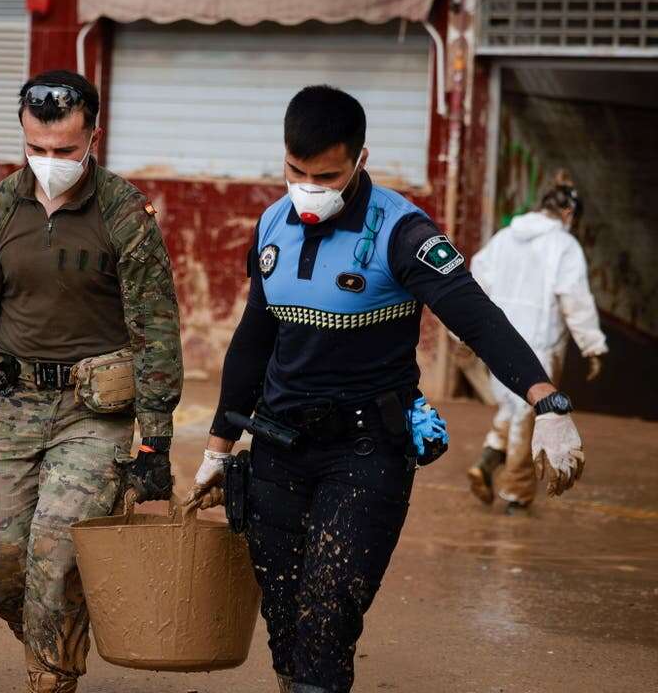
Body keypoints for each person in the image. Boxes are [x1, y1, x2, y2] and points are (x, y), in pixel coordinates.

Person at [187, 86, 585, 693]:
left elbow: (478, 317)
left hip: (365, 453)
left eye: (328, 174)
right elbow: (252, 341)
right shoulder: (271, 223)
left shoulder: (404, 233)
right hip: (275, 450)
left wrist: (546, 399)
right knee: (285, 624)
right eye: (297, 171)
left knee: (328, 617)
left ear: (361, 160)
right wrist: (219, 448)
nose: (309, 187)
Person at [0, 69, 182, 693]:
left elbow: (154, 326)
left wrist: (155, 439)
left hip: (93, 411)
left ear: (94, 136)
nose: (49, 163)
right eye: (36, 149)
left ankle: (51, 676)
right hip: (10, 401)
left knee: (56, 551)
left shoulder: (125, 213)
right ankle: (56, 635)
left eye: (65, 151)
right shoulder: (0, 207)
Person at [466, 173, 607, 513]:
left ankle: (486, 462)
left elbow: (474, 280)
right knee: (531, 419)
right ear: (569, 214)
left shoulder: (503, 238)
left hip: (498, 344)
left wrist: (466, 335)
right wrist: (593, 346)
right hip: (539, 347)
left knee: (513, 410)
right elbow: (574, 298)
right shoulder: (564, 246)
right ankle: (516, 494)